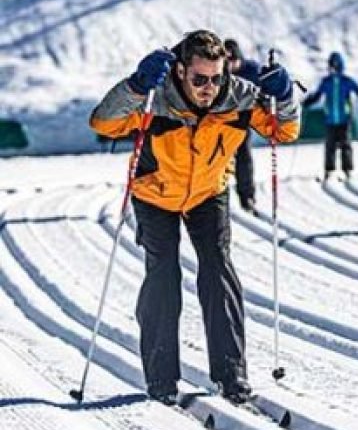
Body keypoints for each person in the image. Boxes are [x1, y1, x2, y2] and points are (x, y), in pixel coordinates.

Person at [89, 30, 299, 405]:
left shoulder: (238, 97)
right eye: (200, 79)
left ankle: (232, 374)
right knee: (164, 273)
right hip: (155, 192)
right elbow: (103, 123)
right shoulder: (157, 97)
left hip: (208, 191)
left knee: (218, 268)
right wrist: (136, 85)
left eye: (216, 78)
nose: (209, 87)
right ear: (182, 70)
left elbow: (284, 131)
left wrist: (285, 97)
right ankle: (161, 378)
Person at [302, 51, 358, 181]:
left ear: (339, 66)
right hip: (330, 119)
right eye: (330, 66)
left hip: (344, 119)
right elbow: (318, 95)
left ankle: (347, 170)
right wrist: (309, 101)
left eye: (333, 66)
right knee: (330, 146)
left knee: (345, 145)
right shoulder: (326, 82)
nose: (331, 69)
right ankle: (329, 170)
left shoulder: (346, 81)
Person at [223, 38, 263, 214]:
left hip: (242, 122)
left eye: (233, 61)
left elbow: (263, 88)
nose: (231, 66)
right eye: (227, 62)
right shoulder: (217, 72)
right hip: (220, 123)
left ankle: (247, 196)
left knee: (244, 159)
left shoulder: (251, 70)